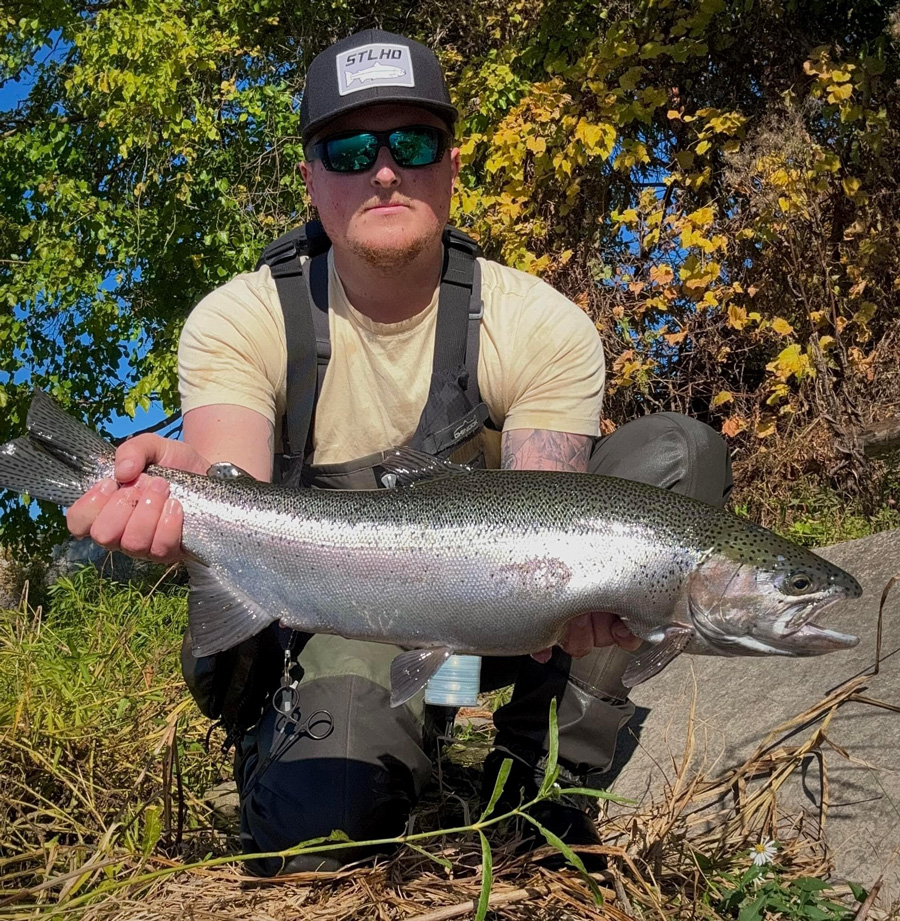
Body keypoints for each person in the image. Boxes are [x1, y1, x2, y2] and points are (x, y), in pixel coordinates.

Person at [66, 29, 732, 875]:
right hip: (331, 612)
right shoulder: (240, 318)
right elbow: (233, 481)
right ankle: (293, 741)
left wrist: (583, 609)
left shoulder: (540, 324)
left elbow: (545, 525)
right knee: (323, 835)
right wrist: (181, 497)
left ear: (451, 165)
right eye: (349, 148)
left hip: (490, 601)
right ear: (310, 178)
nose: (383, 170)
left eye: (411, 143)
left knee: (675, 456)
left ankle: (541, 795)